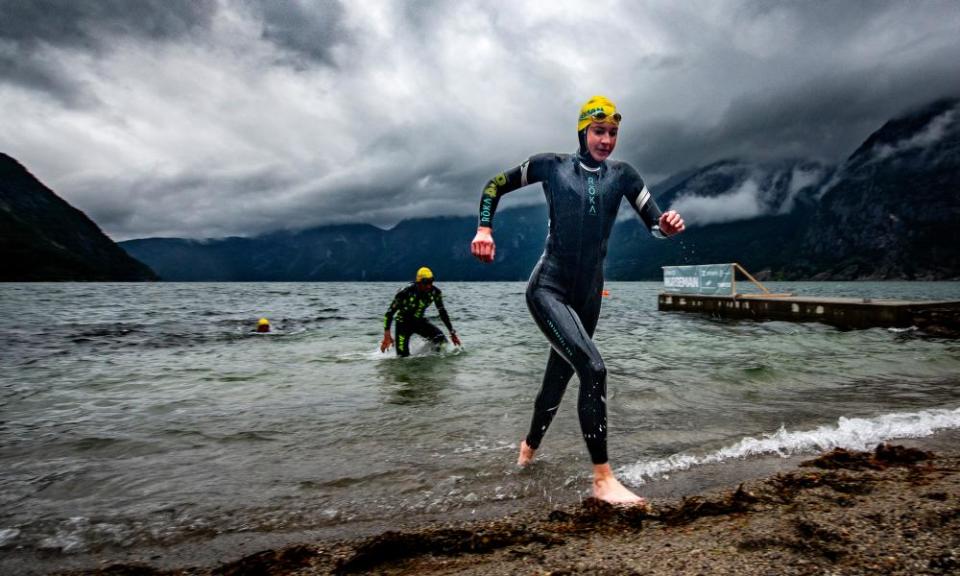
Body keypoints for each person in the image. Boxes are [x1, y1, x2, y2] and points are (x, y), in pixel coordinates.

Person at [470, 95, 685, 506]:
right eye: (599, 131)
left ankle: (527, 452)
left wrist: (667, 227)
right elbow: (494, 185)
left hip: (588, 298)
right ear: (583, 132)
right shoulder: (552, 166)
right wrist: (484, 229)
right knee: (594, 368)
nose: (606, 140)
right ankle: (603, 481)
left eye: (613, 134)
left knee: (559, 379)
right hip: (548, 288)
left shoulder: (624, 176)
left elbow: (655, 225)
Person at [381, 266, 461, 356]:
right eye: (425, 283)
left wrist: (452, 332)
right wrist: (387, 335)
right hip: (403, 324)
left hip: (419, 321)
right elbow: (389, 314)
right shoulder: (406, 292)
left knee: (442, 342)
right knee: (402, 357)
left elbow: (442, 312)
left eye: (431, 282)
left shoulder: (435, 292)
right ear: (418, 282)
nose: (428, 286)